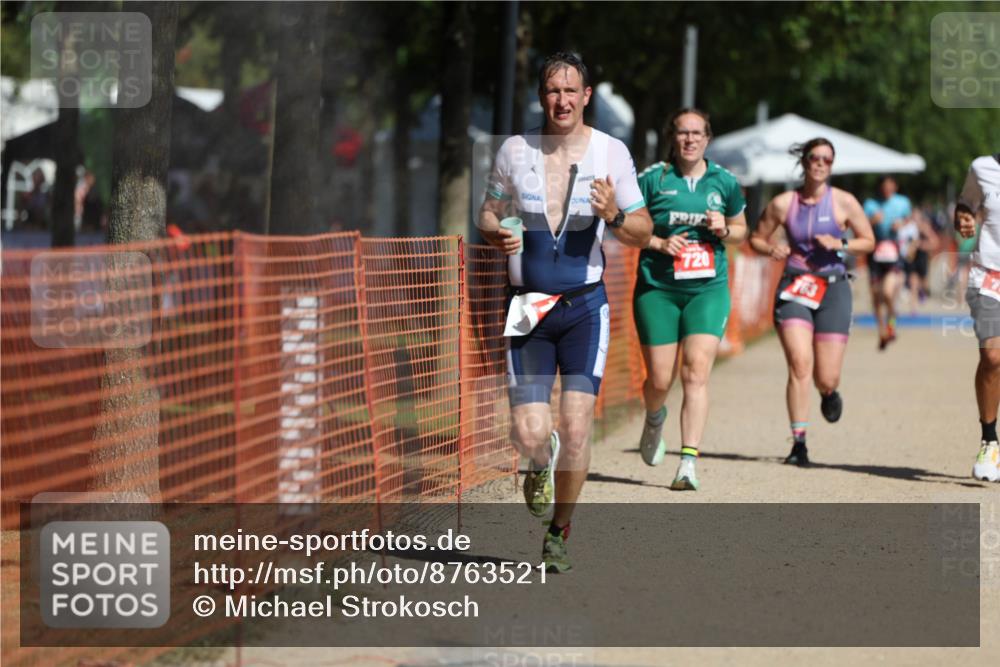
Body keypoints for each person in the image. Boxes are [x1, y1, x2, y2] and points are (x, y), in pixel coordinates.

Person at [478, 52, 653, 571]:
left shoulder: (611, 153)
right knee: (530, 432)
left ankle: (559, 532)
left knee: (577, 428)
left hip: (584, 308)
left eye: (571, 90)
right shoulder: (514, 150)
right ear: (541, 96)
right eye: (553, 91)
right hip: (527, 307)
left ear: (586, 95)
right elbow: (488, 211)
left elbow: (642, 230)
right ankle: (539, 459)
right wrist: (494, 232)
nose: (562, 100)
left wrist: (613, 214)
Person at [633, 108, 748, 491]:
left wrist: (725, 228)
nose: (690, 140)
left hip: (707, 289)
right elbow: (626, 227)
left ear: (707, 138)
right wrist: (657, 242)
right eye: (683, 133)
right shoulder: (652, 179)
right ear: (673, 137)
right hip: (658, 288)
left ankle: (687, 463)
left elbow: (742, 231)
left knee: (696, 371)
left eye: (697, 133)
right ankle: (654, 417)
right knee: (660, 379)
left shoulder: (724, 182)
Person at [750, 138, 874, 466]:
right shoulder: (783, 203)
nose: (820, 164)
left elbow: (869, 241)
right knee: (800, 363)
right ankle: (799, 443)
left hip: (833, 288)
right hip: (796, 286)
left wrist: (840, 243)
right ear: (804, 162)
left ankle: (828, 392)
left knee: (826, 377)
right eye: (814, 158)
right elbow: (756, 238)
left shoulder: (844, 202)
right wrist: (771, 249)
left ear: (832, 166)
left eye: (826, 160)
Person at [955, 154, 1000, 482]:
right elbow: (965, 205)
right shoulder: (982, 168)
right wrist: (964, 218)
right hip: (989, 275)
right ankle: (989, 440)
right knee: (993, 356)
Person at [863, 176, 912, 350]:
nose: (887, 190)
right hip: (875, 253)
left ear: (895, 187)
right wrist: (872, 221)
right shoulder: (870, 204)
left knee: (888, 293)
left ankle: (891, 323)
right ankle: (882, 331)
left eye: (890, 187)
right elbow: (860, 225)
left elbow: (909, 219)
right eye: (884, 187)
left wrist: (901, 223)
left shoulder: (903, 202)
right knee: (876, 296)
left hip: (892, 250)